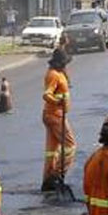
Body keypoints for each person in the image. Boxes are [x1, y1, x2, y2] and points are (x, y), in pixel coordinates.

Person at [41, 48, 76, 191]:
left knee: (52, 150)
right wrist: (57, 102)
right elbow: (46, 94)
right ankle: (56, 174)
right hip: (55, 116)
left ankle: (47, 180)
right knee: (70, 146)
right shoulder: (54, 75)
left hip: (53, 115)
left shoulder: (58, 74)